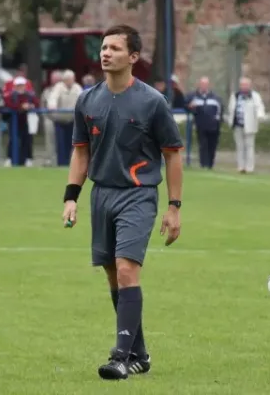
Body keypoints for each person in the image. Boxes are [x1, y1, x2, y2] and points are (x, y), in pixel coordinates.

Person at [62, 24, 184, 380]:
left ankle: (120, 357)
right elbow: (80, 153)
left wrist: (174, 206)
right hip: (102, 195)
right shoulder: (87, 100)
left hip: (138, 195)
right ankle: (140, 354)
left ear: (133, 57)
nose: (105, 53)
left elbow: (173, 155)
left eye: (115, 48)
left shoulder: (152, 102)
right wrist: (71, 197)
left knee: (128, 269)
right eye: (103, 47)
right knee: (114, 276)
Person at [226, 77, 265, 173]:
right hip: (237, 124)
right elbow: (231, 108)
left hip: (250, 124)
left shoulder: (254, 96)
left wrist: (260, 116)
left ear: (250, 86)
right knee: (239, 146)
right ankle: (240, 166)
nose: (244, 87)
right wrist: (230, 120)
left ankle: (249, 167)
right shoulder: (235, 95)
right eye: (242, 85)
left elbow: (259, 107)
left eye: (246, 85)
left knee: (249, 146)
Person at [185, 76, 223, 169]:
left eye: (205, 84)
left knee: (212, 145)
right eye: (202, 84)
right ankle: (203, 164)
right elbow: (185, 106)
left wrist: (218, 121)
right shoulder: (193, 96)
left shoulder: (215, 97)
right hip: (200, 125)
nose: (204, 86)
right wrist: (189, 107)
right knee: (203, 145)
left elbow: (221, 110)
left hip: (214, 126)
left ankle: (210, 164)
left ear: (209, 85)